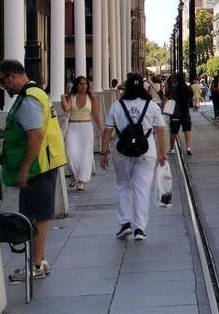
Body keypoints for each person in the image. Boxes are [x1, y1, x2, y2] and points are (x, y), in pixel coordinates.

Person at [0, 59, 67, 281]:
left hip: (38, 166)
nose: (3, 86)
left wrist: (24, 169)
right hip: (45, 162)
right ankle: (40, 261)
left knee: (36, 215)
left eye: (3, 81)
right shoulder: (36, 93)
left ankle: (36, 264)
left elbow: (35, 135)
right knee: (39, 214)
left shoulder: (29, 99)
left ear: (13, 76)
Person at [100, 74, 168, 241]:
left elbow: (107, 130)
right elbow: (160, 130)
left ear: (127, 87)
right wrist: (163, 153)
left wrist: (103, 153)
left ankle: (125, 224)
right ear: (143, 88)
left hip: (122, 151)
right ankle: (140, 229)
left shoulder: (116, 106)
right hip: (147, 151)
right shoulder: (151, 106)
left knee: (123, 186)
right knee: (142, 189)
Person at [61, 76, 103, 192]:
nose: (83, 86)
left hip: (86, 127)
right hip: (72, 127)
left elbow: (95, 114)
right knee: (71, 153)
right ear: (76, 85)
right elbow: (66, 108)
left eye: (85, 84)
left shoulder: (92, 98)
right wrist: (62, 97)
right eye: (81, 84)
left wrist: (101, 127)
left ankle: (80, 181)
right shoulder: (72, 96)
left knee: (85, 154)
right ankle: (75, 175)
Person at [167, 73, 194, 155]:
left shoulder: (175, 88)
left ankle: (172, 149)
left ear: (176, 79)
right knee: (187, 130)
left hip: (175, 113)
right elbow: (190, 98)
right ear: (184, 78)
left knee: (174, 131)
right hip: (185, 112)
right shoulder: (188, 88)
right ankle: (188, 147)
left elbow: (171, 98)